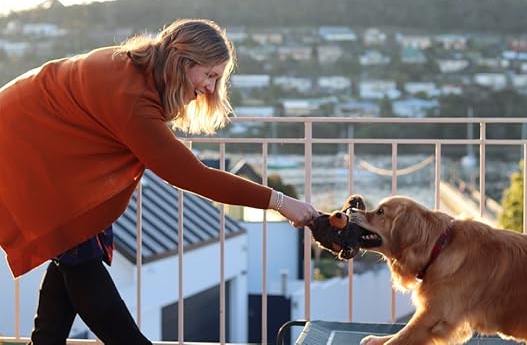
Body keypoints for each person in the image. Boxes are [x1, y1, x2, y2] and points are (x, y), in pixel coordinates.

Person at [0, 18, 318, 344]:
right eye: (209, 75)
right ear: (183, 61)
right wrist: (281, 203)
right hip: (20, 147)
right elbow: (193, 176)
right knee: (80, 258)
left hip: (35, 143)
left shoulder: (139, 70)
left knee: (74, 248)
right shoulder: (132, 96)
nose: (211, 88)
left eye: (217, 79)